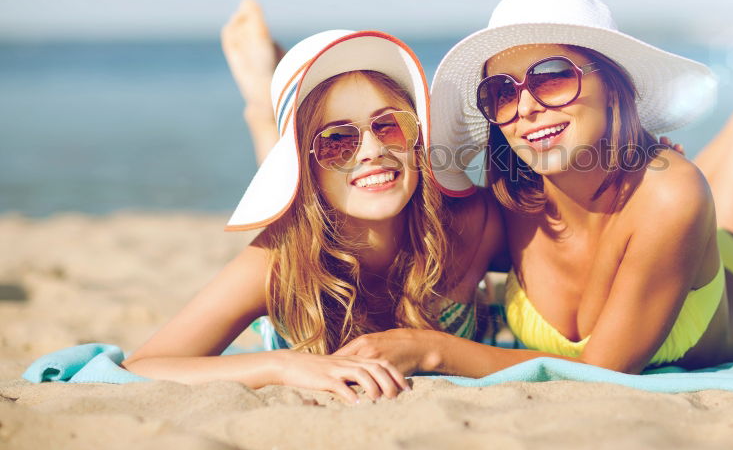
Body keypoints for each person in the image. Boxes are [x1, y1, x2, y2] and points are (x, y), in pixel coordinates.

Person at [332, 0, 733, 376]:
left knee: (711, 217)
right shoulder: (508, 208)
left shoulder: (671, 197)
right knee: (677, 183)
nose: (525, 106)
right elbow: (367, 235)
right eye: (501, 91)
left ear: (612, 85)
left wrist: (431, 349)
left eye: (551, 78)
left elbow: (601, 372)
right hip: (657, 202)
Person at [122, 29, 505, 402]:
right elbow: (144, 366)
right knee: (294, 216)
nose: (371, 150)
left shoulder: (470, 222)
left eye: (389, 126)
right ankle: (262, 110)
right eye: (336, 140)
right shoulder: (276, 260)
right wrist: (281, 366)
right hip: (306, 226)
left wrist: (433, 347)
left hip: (328, 198)